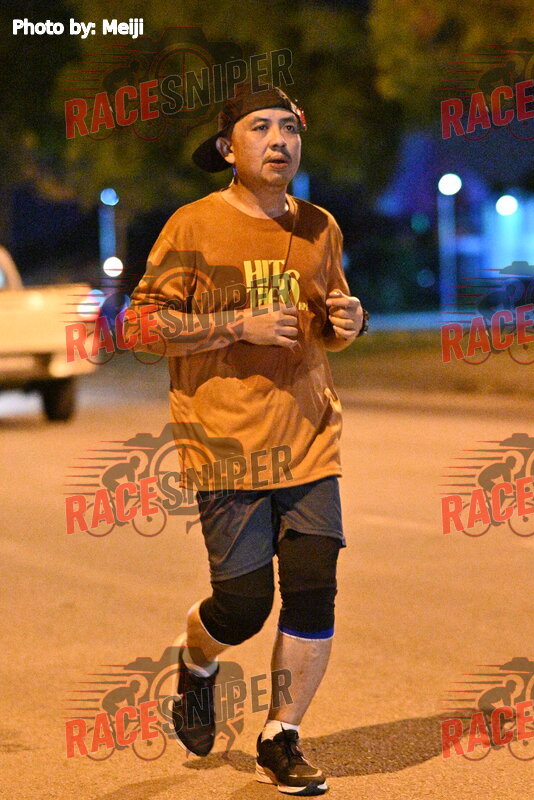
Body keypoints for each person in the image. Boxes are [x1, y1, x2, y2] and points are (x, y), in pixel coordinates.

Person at [124, 83, 367, 795]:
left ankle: (280, 736)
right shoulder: (194, 226)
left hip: (309, 438)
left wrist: (349, 324)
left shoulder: (319, 226)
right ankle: (196, 659)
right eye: (259, 127)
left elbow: (327, 318)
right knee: (243, 606)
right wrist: (235, 325)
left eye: (288, 127)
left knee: (314, 589)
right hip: (224, 443)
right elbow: (140, 326)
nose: (278, 140)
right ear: (228, 148)